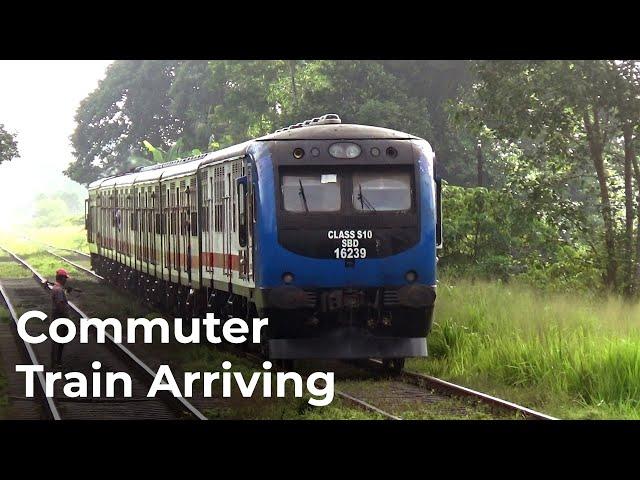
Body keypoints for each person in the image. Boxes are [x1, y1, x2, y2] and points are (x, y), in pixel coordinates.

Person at [50, 268, 70, 369]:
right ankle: (57, 363)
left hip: (56, 317)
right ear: (61, 278)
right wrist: (66, 318)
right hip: (60, 318)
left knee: (57, 341)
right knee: (59, 341)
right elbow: (60, 304)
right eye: (65, 278)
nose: (66, 280)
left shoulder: (56, 288)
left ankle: (55, 362)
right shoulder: (58, 290)